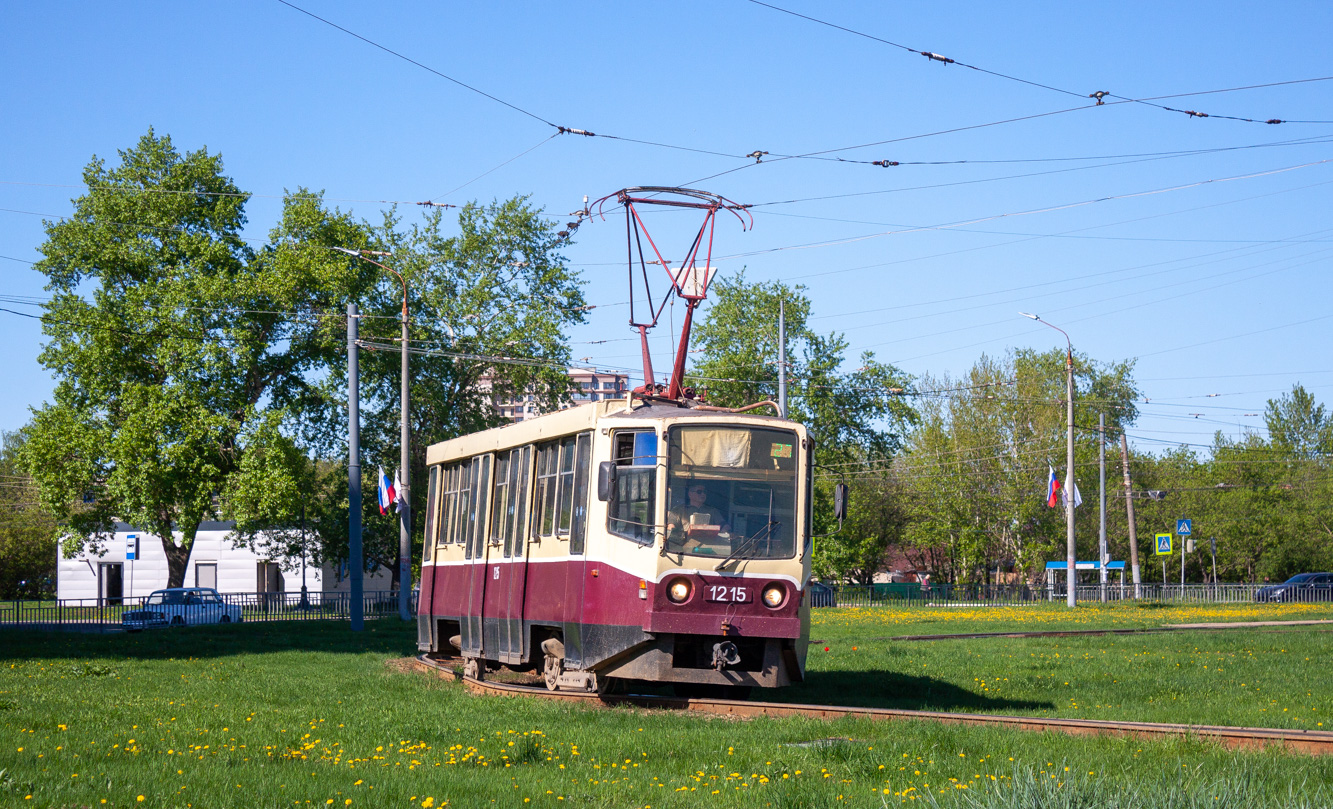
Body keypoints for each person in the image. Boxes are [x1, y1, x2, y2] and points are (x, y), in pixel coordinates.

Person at [667, 483, 730, 552]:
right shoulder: (678, 510)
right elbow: (671, 527)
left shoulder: (712, 510)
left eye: (705, 492)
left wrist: (722, 533)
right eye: (699, 492)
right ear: (690, 494)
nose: (703, 494)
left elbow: (725, 525)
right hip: (684, 549)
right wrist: (683, 535)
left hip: (709, 548)